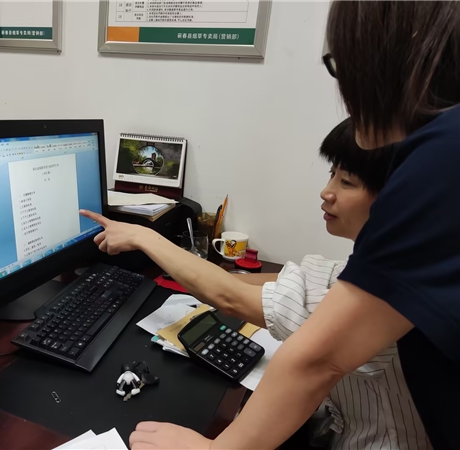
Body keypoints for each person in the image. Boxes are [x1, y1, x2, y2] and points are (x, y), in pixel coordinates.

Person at [94, 3, 459, 447]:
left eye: (341, 64)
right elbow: (269, 282)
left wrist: (144, 236)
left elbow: (313, 357)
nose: (327, 192)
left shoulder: (440, 159)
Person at [81, 118, 431, 449]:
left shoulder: (387, 286)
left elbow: (230, 297)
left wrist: (145, 237)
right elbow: (283, 280)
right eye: (332, 175)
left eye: (347, 182)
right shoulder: (393, 261)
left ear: (396, 198)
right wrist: (214, 276)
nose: (327, 192)